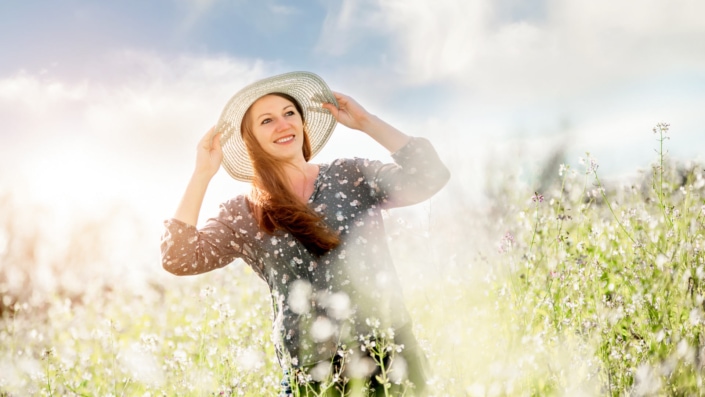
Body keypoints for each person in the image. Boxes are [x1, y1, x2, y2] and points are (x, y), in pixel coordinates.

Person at [161, 71, 450, 396]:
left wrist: (367, 122)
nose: (283, 125)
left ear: (302, 122)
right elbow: (179, 257)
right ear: (251, 139)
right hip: (312, 373)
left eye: (289, 114)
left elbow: (429, 176)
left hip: (389, 357)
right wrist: (202, 174)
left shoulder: (351, 175)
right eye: (266, 121)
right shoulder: (242, 213)